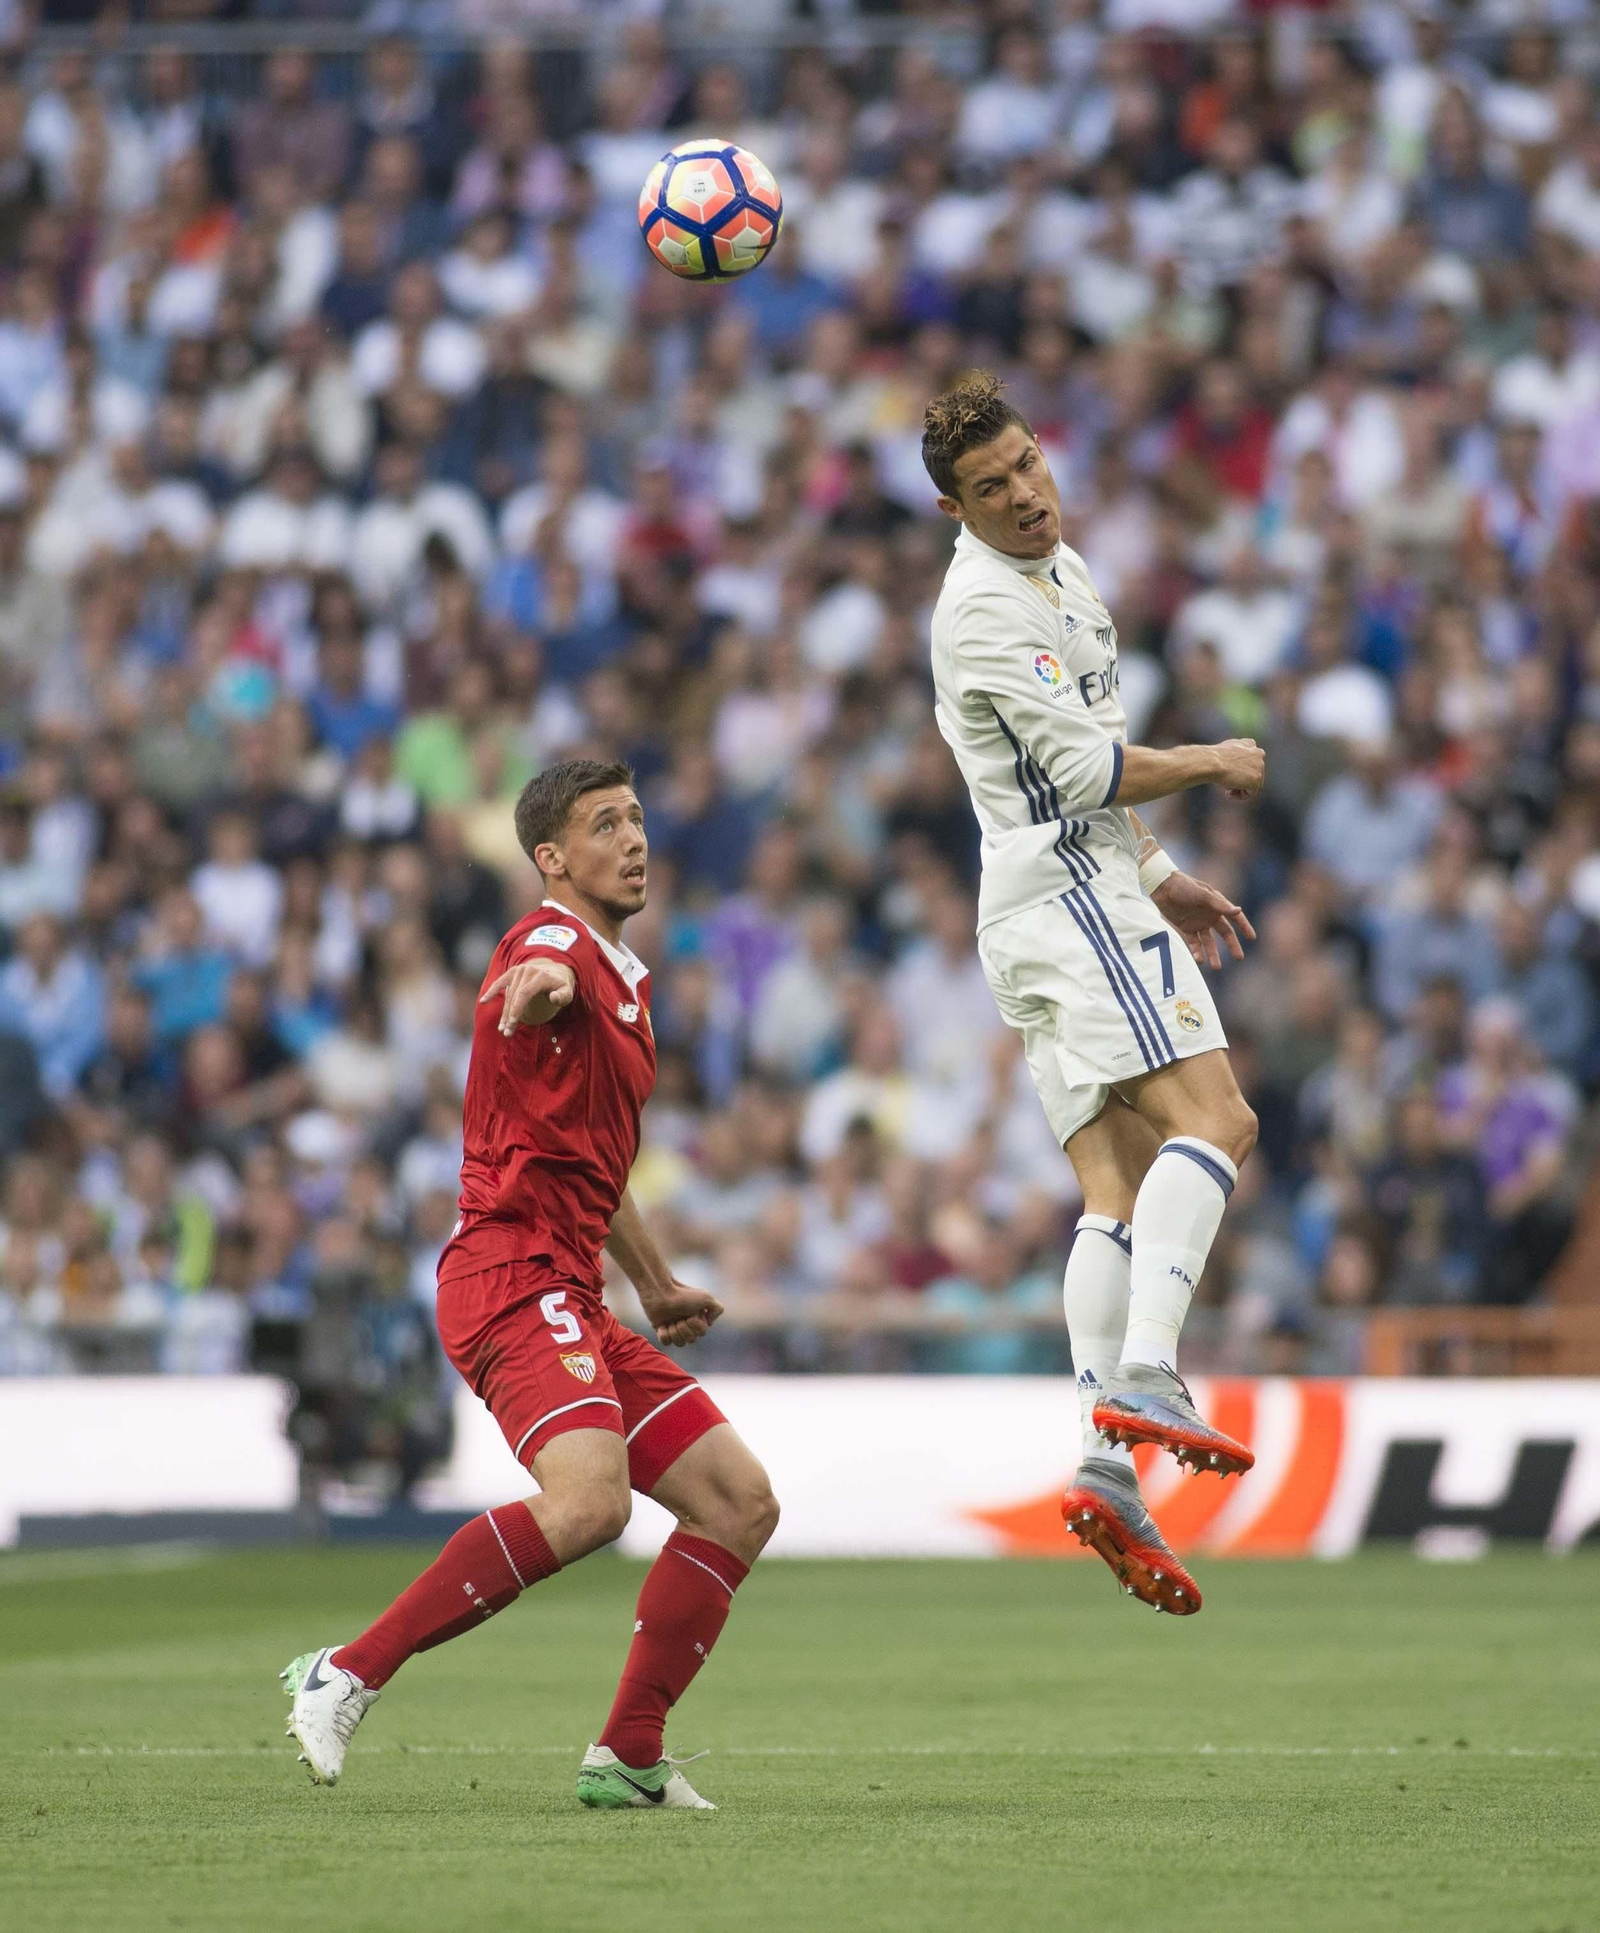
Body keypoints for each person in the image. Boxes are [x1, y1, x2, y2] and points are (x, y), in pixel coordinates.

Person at [283, 759, 779, 1809]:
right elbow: (533, 971)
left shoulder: (625, 980)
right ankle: (349, 1669)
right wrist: (532, 994)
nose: (635, 838)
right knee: (591, 1500)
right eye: (607, 824)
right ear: (552, 858)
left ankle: (629, 1751)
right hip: (509, 1274)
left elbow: (596, 1161)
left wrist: (652, 1280)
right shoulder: (549, 944)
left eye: (639, 817)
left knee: (737, 1502)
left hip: (576, 1291)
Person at [921, 373, 1263, 1616]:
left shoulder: (1062, 577)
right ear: (955, 511)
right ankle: (1152, 1376)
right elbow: (1078, 772)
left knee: (1115, 1188)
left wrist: (1162, 874)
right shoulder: (979, 610)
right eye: (989, 488)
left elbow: (1054, 781)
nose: (1020, 495)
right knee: (1219, 1123)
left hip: (1049, 899)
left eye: (1024, 466)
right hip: (1066, 901)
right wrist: (1212, 760)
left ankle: (1106, 1466)